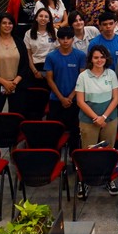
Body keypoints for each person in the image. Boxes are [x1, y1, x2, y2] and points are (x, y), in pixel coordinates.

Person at [75, 44, 118, 196]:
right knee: (88, 153)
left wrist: (104, 117)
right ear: (91, 59)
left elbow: (116, 98)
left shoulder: (111, 74)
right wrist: (95, 117)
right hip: (89, 121)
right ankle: (84, 181)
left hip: (110, 119)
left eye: (102, 57)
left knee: (108, 152)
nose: (99, 60)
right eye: (96, 57)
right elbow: (80, 101)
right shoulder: (83, 76)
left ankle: (109, 179)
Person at [43, 27, 85, 156]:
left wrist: (71, 96)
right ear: (58, 40)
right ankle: (54, 156)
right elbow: (50, 80)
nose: (65, 41)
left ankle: (74, 157)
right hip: (56, 100)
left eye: (68, 38)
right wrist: (61, 98)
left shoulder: (80, 55)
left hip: (75, 100)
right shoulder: (51, 56)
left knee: (75, 130)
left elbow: (81, 79)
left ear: (73, 39)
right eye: (62, 38)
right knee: (55, 131)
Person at [0, 13, 29, 117]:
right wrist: (5, 83)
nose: (7, 26)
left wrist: (14, 83)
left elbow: (25, 65)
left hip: (17, 86)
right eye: (4, 23)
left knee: (16, 117)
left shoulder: (19, 42)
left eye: (10, 23)